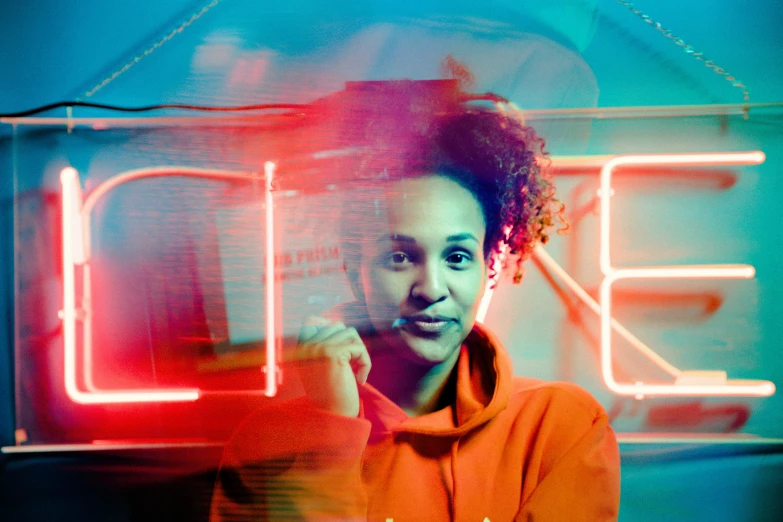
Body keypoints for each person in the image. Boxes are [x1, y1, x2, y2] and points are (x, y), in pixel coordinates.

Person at [210, 80, 620, 521]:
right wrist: (330, 435)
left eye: (458, 257)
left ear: (488, 266)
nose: (431, 288)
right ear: (354, 268)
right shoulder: (266, 442)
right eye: (400, 257)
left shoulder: (560, 426)